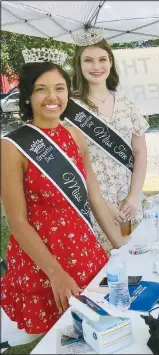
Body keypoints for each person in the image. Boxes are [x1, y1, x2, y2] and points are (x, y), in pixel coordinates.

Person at [1, 49, 127, 336]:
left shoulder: (75, 135)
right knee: (61, 340)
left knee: (101, 331)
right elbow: (16, 221)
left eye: (59, 89)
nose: (52, 97)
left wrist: (119, 244)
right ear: (28, 96)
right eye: (41, 90)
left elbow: (93, 197)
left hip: (84, 251)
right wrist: (55, 274)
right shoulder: (12, 146)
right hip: (43, 263)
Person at [69, 28, 149, 252]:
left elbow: (140, 152)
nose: (96, 66)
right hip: (91, 205)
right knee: (104, 274)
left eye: (102, 59)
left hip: (128, 204)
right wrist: (102, 205)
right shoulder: (69, 108)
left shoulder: (126, 102)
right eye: (88, 60)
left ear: (111, 62)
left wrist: (133, 198)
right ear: (79, 64)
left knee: (135, 264)